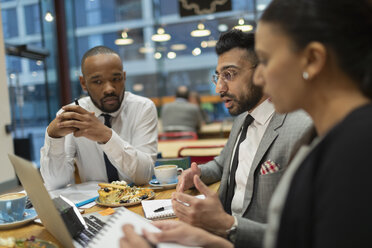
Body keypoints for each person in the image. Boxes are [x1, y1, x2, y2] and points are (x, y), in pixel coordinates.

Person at [171, 30, 314, 248]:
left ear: (262, 72)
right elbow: (222, 165)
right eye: (218, 76)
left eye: (229, 74)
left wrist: (228, 225)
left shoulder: (303, 128)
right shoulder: (242, 119)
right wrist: (197, 174)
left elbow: (303, 233)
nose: (220, 88)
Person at [252, 0, 372, 247]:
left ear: (312, 59)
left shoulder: (357, 149)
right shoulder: (327, 135)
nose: (258, 76)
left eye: (265, 59)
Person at [40, 46, 158, 190]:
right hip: (94, 205)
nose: (109, 89)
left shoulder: (142, 107)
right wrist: (53, 137)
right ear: (83, 83)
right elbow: (55, 184)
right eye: (97, 82)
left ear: (124, 77)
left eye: (116, 79)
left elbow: (144, 175)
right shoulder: (73, 115)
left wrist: (106, 136)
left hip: (138, 199)